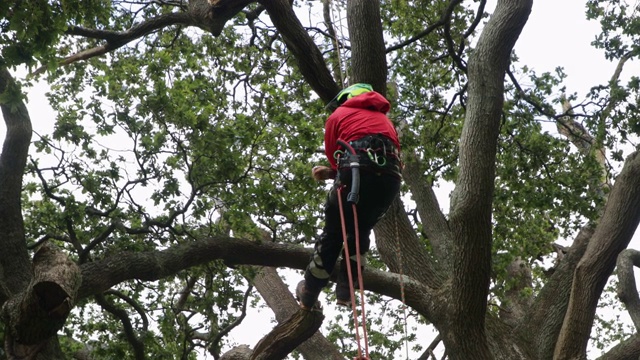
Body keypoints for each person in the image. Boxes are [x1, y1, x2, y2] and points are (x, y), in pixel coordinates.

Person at [297, 83, 402, 310]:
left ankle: (310, 290)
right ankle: (346, 290)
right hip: (389, 180)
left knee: (335, 231)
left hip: (353, 174)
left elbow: (335, 156)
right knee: (360, 229)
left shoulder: (339, 114)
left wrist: (332, 171)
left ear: (346, 98)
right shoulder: (388, 123)